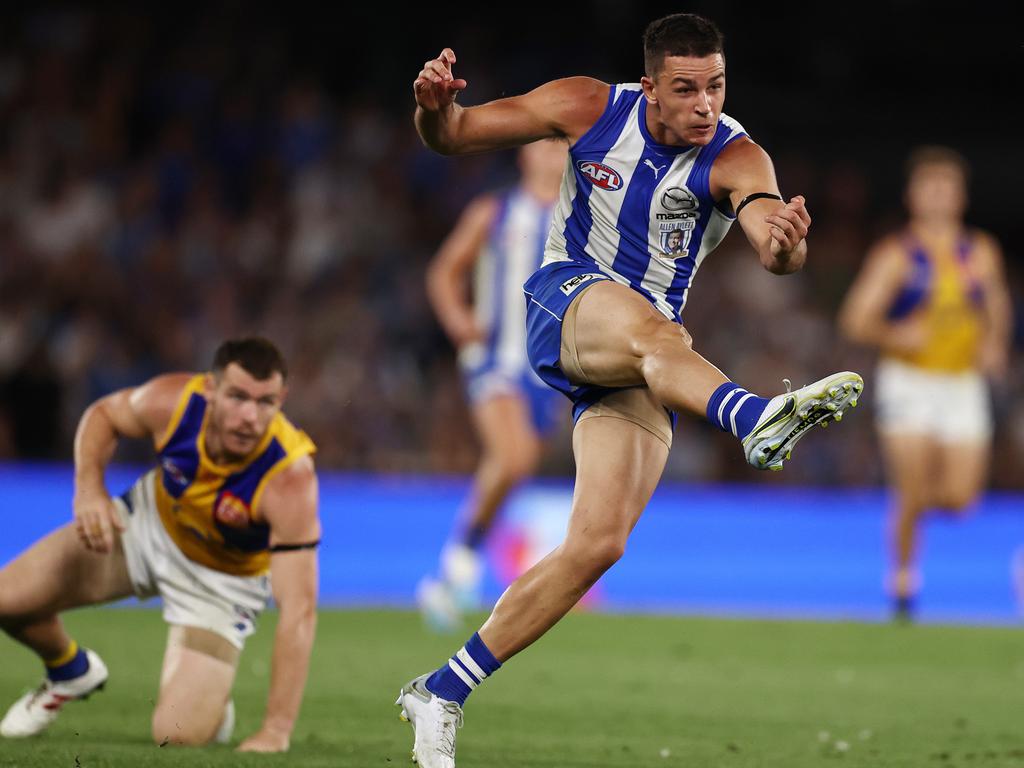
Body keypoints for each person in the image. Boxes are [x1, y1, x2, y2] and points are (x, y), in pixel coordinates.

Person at [398, 13, 864, 766]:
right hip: (568, 301)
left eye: (715, 86)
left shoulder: (738, 155)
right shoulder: (587, 107)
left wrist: (786, 243)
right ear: (649, 87)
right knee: (660, 335)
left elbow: (770, 245)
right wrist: (432, 106)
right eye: (685, 89)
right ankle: (751, 415)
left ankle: (442, 690)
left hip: (642, 359)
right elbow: (453, 135)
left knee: (597, 545)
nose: (704, 104)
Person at [0, 337, 320, 752]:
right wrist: (90, 490)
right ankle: (69, 669)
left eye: (265, 403)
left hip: (220, 584)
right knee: (5, 599)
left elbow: (299, 609)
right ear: (211, 389)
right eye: (238, 397)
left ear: (283, 400)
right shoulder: (173, 402)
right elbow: (104, 415)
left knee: (176, 735)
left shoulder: (289, 477)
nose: (249, 417)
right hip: (147, 525)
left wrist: (276, 729)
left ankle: (211, 703)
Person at [839, 146, 1010, 620]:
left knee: (960, 499)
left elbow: (996, 309)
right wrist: (896, 333)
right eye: (929, 188)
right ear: (913, 197)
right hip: (908, 381)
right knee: (910, 485)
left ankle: (907, 524)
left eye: (946, 188)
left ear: (961, 197)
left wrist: (994, 345)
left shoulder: (980, 252)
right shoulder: (897, 255)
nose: (937, 197)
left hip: (961, 383)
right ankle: (903, 578)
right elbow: (855, 319)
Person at [417, 139, 569, 630]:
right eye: (544, 144)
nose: (553, 154)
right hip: (495, 360)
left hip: (547, 374)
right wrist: (459, 319)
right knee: (514, 456)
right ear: (524, 154)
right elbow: (444, 271)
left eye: (563, 145)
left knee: (513, 468)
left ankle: (455, 572)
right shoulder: (495, 212)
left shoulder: (582, 219)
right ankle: (459, 563)